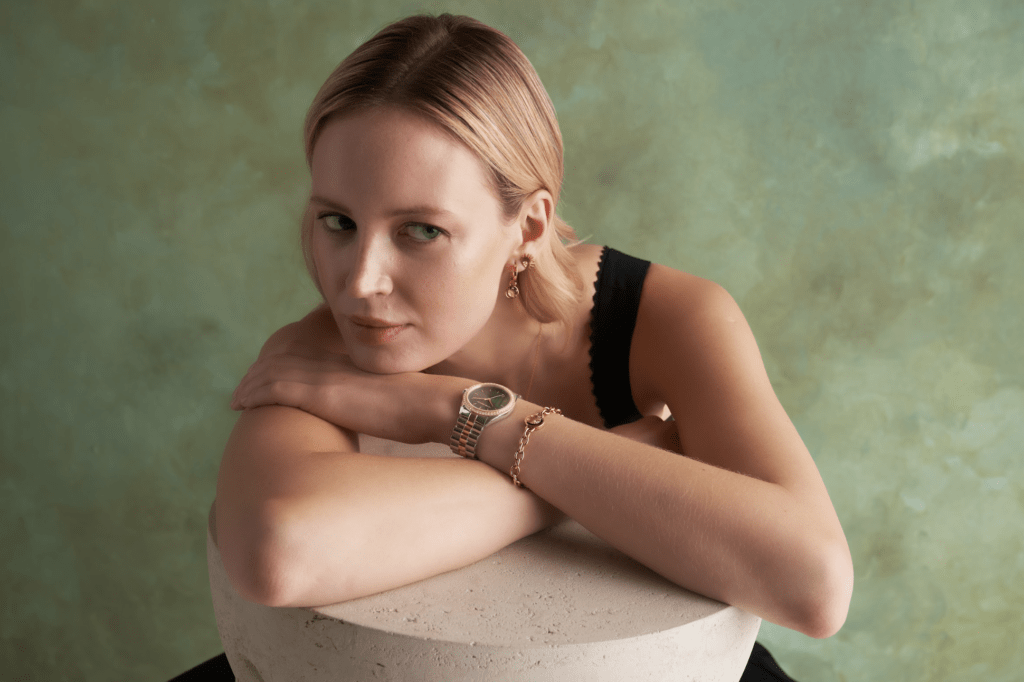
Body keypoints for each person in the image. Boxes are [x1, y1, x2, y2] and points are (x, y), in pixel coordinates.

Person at [181, 12, 853, 682]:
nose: (359, 282)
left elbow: (814, 585)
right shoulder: (316, 352)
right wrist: (589, 476)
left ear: (529, 227)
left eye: (420, 231)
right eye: (338, 222)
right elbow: (279, 552)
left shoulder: (667, 318)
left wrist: (463, 412)